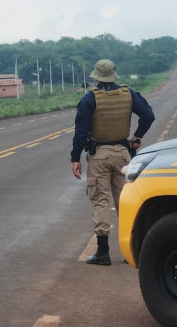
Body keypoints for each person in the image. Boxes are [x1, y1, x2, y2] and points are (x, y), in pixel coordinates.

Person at [71, 59, 155, 265]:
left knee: (100, 200)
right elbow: (148, 115)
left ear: (96, 77)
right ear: (114, 75)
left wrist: (75, 158)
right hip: (123, 154)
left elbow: (81, 132)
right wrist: (137, 136)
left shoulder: (90, 99)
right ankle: (132, 250)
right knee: (125, 201)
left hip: (99, 154)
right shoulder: (129, 94)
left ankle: (103, 252)